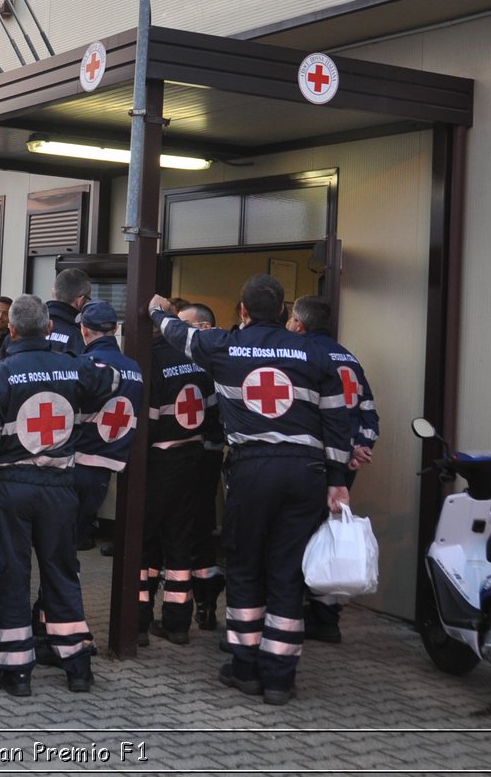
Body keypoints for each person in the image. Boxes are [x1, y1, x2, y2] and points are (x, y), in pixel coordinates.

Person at [149, 275, 355, 706]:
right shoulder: (314, 352)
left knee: (244, 565)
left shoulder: (222, 346)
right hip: (306, 472)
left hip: (252, 470)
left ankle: (245, 668)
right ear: (284, 312)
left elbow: (179, 333)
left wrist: (156, 310)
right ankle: (279, 676)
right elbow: (338, 422)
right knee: (287, 570)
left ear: (242, 310)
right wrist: (337, 480)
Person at [0, 294, 117, 697]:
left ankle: (16, 672)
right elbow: (111, 382)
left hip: (10, 489)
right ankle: (78, 668)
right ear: (49, 328)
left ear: (11, 330)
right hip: (60, 488)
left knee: (14, 574)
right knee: (62, 572)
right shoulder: (74, 367)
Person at [288, 294, 379, 644]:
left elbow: (312, 414)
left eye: (291, 321)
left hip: (317, 462)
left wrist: (338, 454)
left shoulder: (305, 355)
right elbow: (369, 411)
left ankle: (295, 614)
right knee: (329, 534)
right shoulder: (350, 358)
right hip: (345, 462)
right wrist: (359, 449)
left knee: (302, 535)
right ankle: (327, 616)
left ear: (299, 323)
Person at [132, 302, 219, 644]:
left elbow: (148, 425)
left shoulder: (150, 362)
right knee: (181, 542)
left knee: (145, 543)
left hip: (158, 465)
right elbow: (212, 417)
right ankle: (178, 623)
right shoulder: (199, 362)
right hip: (193, 461)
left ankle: (138, 622)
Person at [71, 302, 142, 555]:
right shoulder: (135, 368)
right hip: (107, 468)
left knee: (59, 546)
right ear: (115, 329)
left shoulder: (83, 365)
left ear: (85, 330)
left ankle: (52, 595)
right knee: (75, 542)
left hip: (76, 464)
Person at [175, 301, 227, 631]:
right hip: (200, 458)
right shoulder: (201, 362)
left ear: (204, 328)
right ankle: (204, 602)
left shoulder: (213, 364)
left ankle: (202, 602)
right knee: (198, 530)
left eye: (185, 325)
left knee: (191, 529)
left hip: (201, 459)